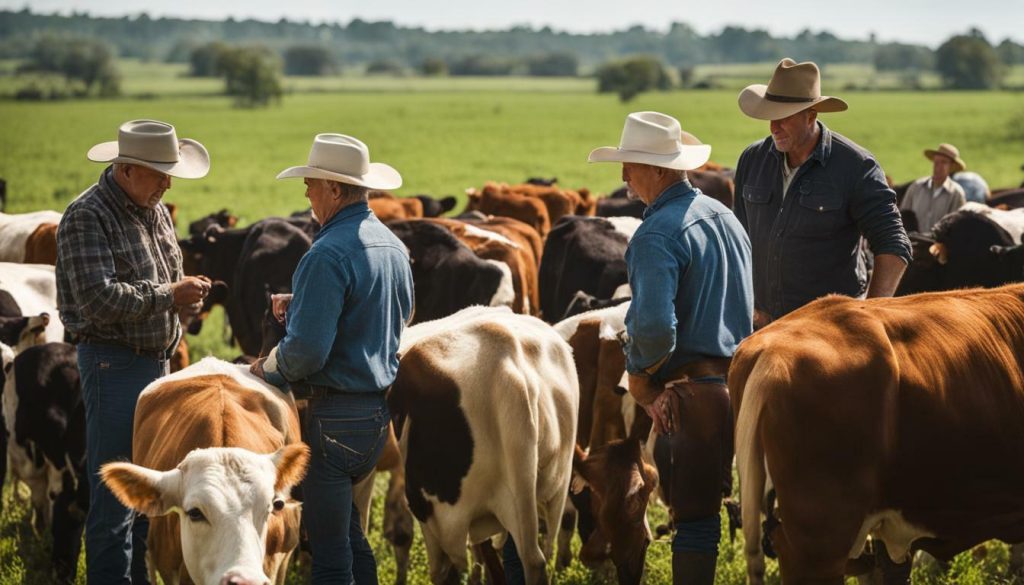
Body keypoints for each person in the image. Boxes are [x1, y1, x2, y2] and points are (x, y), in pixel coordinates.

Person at [588, 111, 754, 584]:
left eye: (631, 163)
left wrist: (640, 383)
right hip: (740, 385)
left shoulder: (656, 233)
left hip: (689, 395)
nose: (623, 175)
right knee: (709, 515)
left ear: (660, 170)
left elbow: (657, 327)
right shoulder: (725, 217)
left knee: (694, 525)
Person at [250, 133, 414, 584]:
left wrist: (264, 369)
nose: (306, 192)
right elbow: (392, 314)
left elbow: (305, 353)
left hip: (331, 420)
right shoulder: (393, 246)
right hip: (376, 417)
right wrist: (303, 301)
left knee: (328, 551)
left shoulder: (324, 253)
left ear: (336, 190)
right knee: (349, 535)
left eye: (312, 183)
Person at [56, 119, 212, 583]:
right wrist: (170, 296)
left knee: (148, 491)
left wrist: (185, 298)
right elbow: (98, 300)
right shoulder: (87, 215)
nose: (168, 181)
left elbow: (167, 271)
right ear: (125, 169)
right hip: (113, 363)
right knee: (116, 497)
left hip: (155, 362)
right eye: (159, 172)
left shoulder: (153, 206)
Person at [734, 58, 912, 325]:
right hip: (762, 324)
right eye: (771, 116)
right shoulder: (752, 159)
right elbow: (740, 241)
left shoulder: (856, 166)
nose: (774, 127)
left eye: (784, 117)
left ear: (811, 115)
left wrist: (871, 315)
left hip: (830, 332)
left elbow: (894, 244)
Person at [899, 143, 967, 233]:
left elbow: (956, 227)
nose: (938, 166)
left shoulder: (956, 193)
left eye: (943, 162)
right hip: (913, 243)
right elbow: (902, 216)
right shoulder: (916, 186)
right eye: (936, 161)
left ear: (951, 167)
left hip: (938, 245)